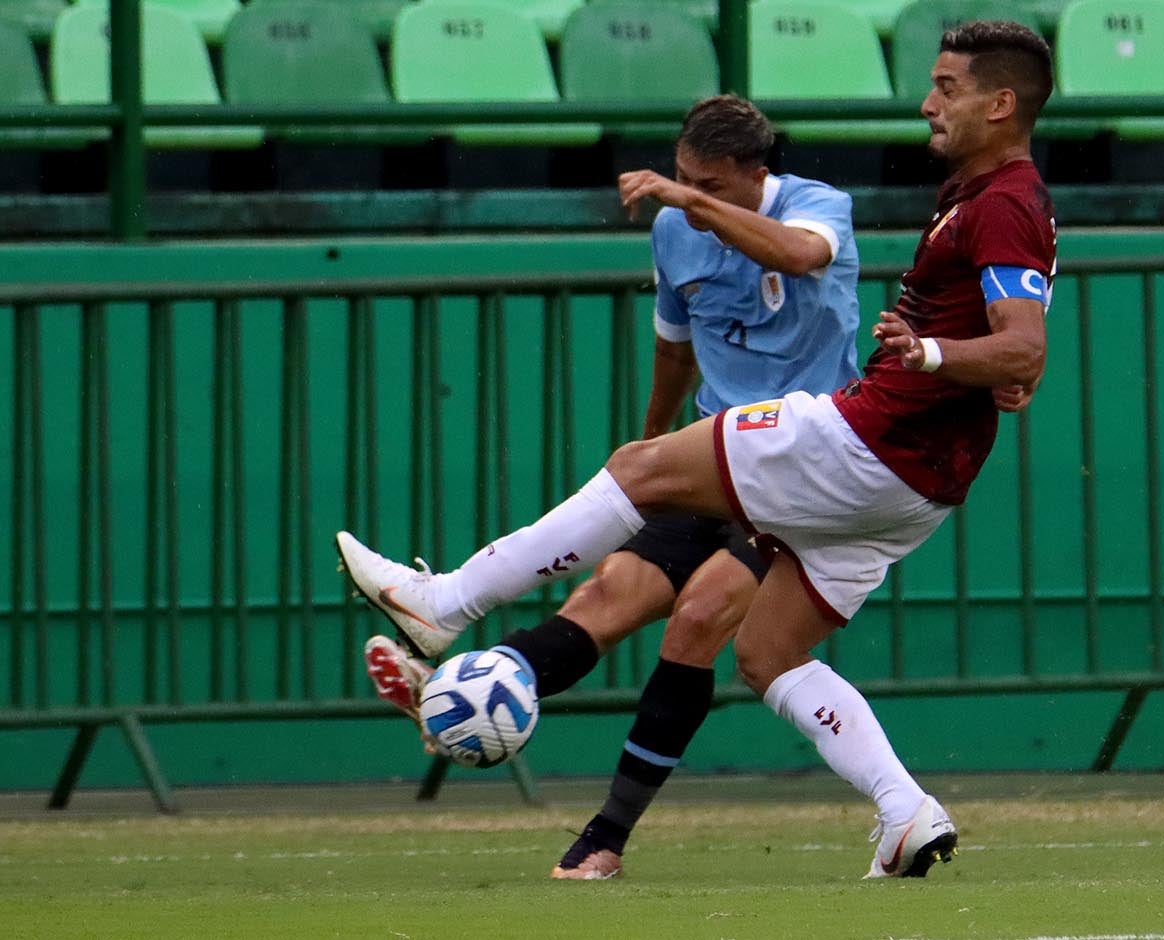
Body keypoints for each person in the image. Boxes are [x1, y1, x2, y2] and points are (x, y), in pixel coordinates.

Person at [339, 19, 1056, 880]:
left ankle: (444, 605)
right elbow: (1009, 347)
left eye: (946, 87)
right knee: (764, 651)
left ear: (1001, 102)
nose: (926, 102)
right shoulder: (979, 196)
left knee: (643, 489)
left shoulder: (992, 201)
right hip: (918, 484)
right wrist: (980, 368)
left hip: (858, 440)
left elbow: (1020, 344)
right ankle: (905, 810)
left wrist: (939, 356)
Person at [357, 94, 863, 880]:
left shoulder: (815, 205)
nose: (692, 196)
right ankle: (456, 694)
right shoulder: (675, 228)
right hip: (708, 456)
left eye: (712, 185)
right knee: (602, 599)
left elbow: (799, 256)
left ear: (756, 175)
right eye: (684, 176)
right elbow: (674, 345)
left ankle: (605, 836)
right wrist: (653, 437)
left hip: (801, 472)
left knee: (695, 620)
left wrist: (682, 197)